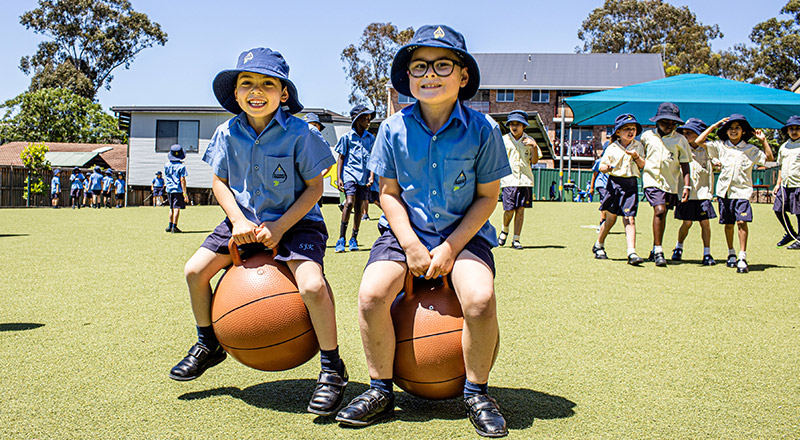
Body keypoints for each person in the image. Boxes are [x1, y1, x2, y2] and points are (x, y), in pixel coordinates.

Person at [335, 25, 511, 437]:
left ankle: (477, 391)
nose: (429, 74)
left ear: (463, 76)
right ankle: (380, 388)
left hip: (464, 237)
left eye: (442, 65)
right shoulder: (392, 129)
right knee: (372, 294)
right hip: (402, 234)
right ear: (408, 78)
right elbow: (387, 194)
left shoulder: (484, 130)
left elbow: (488, 198)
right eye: (419, 67)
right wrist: (412, 245)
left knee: (481, 299)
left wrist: (450, 248)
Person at [170, 48, 346, 417]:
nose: (256, 90)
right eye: (247, 83)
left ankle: (332, 369)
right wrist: (236, 220)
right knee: (194, 271)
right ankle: (208, 343)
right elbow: (219, 182)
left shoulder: (300, 133)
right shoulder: (226, 132)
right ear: (235, 94)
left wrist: (281, 226)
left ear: (283, 94)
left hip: (297, 222)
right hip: (243, 218)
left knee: (312, 285)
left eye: (268, 83)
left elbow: (316, 188)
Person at [695, 114, 774, 273]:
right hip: (724, 192)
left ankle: (742, 256)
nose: (733, 131)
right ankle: (731, 252)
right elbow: (698, 142)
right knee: (729, 224)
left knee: (742, 222)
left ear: (743, 131)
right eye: (730, 128)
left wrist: (763, 141)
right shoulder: (720, 146)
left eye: (737, 128)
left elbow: (769, 159)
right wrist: (715, 125)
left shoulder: (750, 149)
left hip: (742, 192)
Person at [640, 102, 692, 267]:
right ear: (657, 121)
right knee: (660, 209)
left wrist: (687, 186)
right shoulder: (647, 136)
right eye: (665, 122)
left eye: (673, 123)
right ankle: (659, 251)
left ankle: (654, 248)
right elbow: (638, 154)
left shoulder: (680, 140)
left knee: (663, 214)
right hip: (651, 180)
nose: (669, 126)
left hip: (671, 183)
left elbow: (685, 163)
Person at [593, 114, 646, 265]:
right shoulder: (612, 148)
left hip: (631, 185)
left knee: (630, 218)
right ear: (618, 132)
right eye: (627, 129)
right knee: (611, 219)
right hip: (614, 184)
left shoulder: (638, 146)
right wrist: (607, 168)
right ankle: (599, 244)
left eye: (633, 129)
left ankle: (632, 252)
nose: (631, 132)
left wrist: (636, 156)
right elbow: (601, 166)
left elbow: (642, 165)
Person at [671, 119, 717, 265]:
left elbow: (717, 163)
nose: (685, 135)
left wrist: (716, 163)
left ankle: (707, 253)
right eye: (684, 133)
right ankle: (678, 247)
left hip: (703, 193)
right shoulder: (681, 149)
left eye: (689, 133)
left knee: (705, 223)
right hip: (686, 193)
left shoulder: (709, 149)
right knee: (687, 223)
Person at [334, 104, 375, 252]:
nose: (368, 122)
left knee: (359, 207)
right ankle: (341, 239)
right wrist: (339, 178)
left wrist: (371, 176)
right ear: (357, 120)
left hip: (363, 178)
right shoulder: (347, 137)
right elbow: (341, 158)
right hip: (350, 174)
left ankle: (353, 239)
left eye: (369, 119)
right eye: (366, 119)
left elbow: (373, 159)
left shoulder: (371, 138)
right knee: (349, 201)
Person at [498, 110, 540, 250]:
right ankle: (505, 230)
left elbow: (534, 161)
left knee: (520, 210)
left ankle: (516, 239)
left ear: (524, 126)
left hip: (525, 180)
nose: (514, 127)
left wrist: (533, 146)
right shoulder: (503, 140)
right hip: (509, 180)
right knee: (509, 210)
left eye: (518, 124)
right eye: (512, 124)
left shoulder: (530, 141)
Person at [773, 115, 800, 249]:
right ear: (787, 131)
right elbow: (781, 167)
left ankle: (799, 238)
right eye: (791, 129)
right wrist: (778, 184)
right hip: (785, 185)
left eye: (797, 128)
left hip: (798, 185)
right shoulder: (784, 147)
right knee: (778, 209)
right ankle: (790, 233)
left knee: (799, 213)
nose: (794, 131)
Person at [164, 144, 189, 232]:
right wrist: (185, 193)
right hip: (178, 189)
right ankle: (175, 226)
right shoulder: (182, 166)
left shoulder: (166, 165)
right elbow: (182, 179)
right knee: (177, 208)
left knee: (171, 208)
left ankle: (169, 225)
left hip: (169, 189)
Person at [590, 141, 610, 232]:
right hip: (601, 184)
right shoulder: (599, 161)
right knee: (605, 204)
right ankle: (602, 222)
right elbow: (594, 175)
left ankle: (605, 222)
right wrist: (591, 187)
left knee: (609, 205)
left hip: (610, 185)